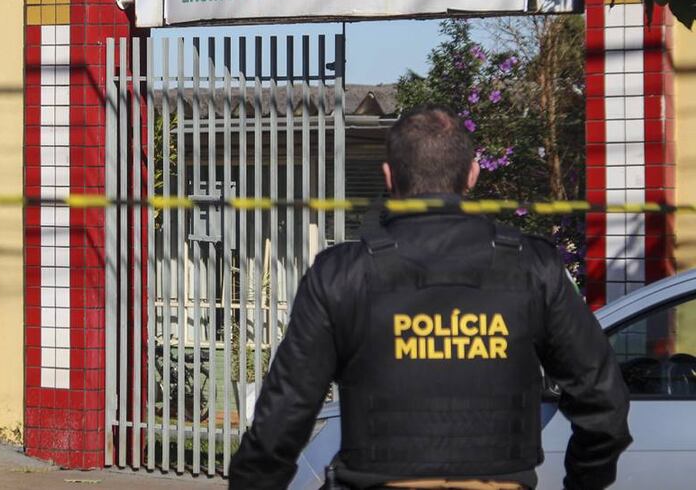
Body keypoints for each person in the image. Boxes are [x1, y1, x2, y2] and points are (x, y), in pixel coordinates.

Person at [228, 106, 631, 490]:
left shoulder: (341, 273)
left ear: (389, 177)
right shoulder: (533, 268)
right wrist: (583, 482)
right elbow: (603, 404)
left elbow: (282, 419)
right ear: (472, 175)